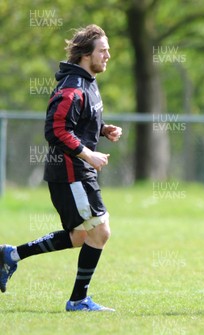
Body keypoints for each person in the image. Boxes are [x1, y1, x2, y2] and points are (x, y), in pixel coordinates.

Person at [0, 24, 122, 312]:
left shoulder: (88, 82)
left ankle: (10, 255)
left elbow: (77, 122)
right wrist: (88, 154)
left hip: (76, 171)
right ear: (85, 55)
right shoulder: (72, 89)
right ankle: (79, 300)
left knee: (82, 235)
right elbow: (55, 130)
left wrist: (102, 130)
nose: (108, 55)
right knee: (100, 232)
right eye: (102, 50)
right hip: (71, 173)